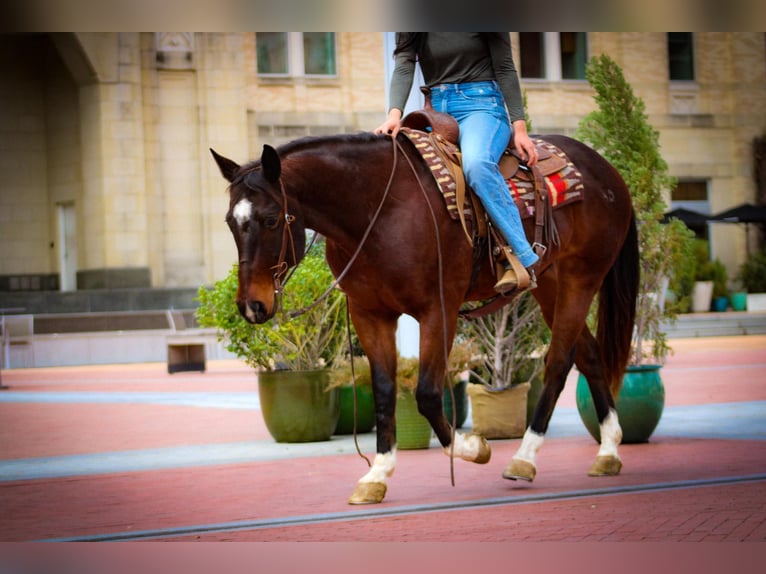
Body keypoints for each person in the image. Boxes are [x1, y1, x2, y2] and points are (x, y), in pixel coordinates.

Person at [375, 32, 539, 294]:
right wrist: (394, 115)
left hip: (483, 106)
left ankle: (521, 257)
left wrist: (519, 129)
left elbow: (505, 68)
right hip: (436, 110)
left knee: (477, 165)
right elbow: (404, 64)